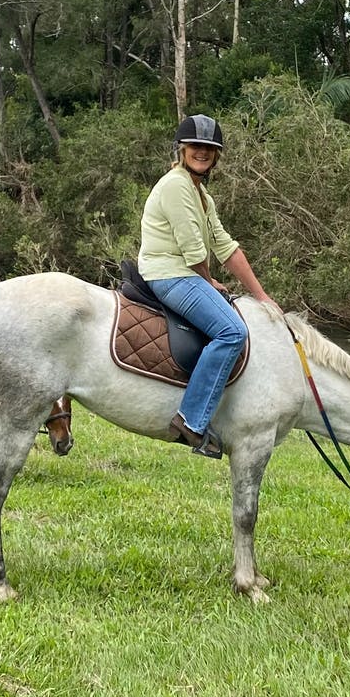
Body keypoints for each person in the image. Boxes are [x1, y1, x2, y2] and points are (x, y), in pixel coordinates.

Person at [137, 113, 274, 458]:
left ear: (216, 156)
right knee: (232, 332)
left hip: (182, 271)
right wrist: (207, 280)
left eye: (209, 148)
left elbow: (225, 246)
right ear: (182, 149)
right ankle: (191, 420)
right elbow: (194, 250)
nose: (202, 152)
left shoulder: (201, 195)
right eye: (195, 146)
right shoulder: (175, 185)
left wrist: (261, 296)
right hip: (168, 274)